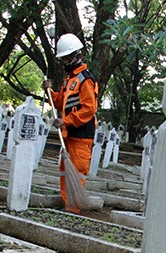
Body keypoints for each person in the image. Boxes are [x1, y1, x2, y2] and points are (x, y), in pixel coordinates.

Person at [42, 33, 98, 213]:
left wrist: (65, 121)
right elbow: (61, 103)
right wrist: (50, 92)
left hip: (81, 135)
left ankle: (73, 209)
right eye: (62, 59)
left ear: (75, 56)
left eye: (66, 58)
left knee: (77, 171)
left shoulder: (85, 79)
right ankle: (68, 204)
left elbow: (89, 109)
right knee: (66, 170)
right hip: (69, 134)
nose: (64, 62)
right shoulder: (69, 79)